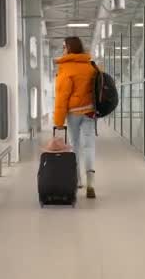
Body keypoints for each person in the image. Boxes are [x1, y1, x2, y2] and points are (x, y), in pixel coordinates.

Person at [53, 36, 97, 199]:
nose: (62, 49)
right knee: (89, 146)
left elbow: (62, 96)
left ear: (69, 48)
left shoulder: (66, 68)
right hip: (90, 112)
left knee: (75, 145)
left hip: (73, 113)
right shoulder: (91, 66)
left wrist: (58, 121)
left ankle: (78, 181)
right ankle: (91, 183)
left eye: (64, 46)